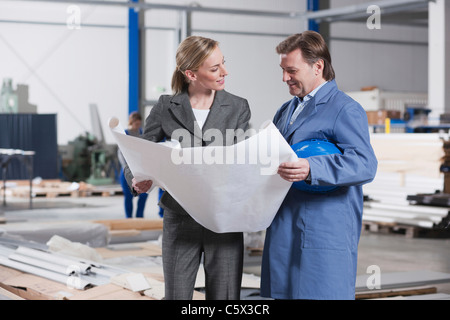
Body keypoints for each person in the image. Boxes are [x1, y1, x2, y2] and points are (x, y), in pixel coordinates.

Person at [124, 36, 251, 300]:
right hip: (180, 218)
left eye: (223, 64)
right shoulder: (165, 107)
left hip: (223, 219)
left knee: (226, 298)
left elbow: (244, 159)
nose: (224, 72)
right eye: (215, 68)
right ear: (191, 74)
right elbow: (138, 150)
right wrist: (136, 177)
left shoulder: (238, 107)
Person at [260, 31, 378, 300]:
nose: (284, 78)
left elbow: (365, 164)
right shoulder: (286, 110)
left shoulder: (345, 109)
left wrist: (313, 168)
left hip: (323, 228)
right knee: (283, 293)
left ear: (318, 66)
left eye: (291, 70)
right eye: (282, 70)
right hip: (285, 222)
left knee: (319, 293)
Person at [118, 112, 148, 218]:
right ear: (131, 123)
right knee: (128, 196)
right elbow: (120, 153)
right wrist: (128, 169)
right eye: (136, 124)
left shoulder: (142, 133)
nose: (137, 127)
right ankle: (129, 218)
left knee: (144, 195)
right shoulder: (125, 134)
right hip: (127, 170)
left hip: (140, 169)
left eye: (139, 124)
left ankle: (139, 218)